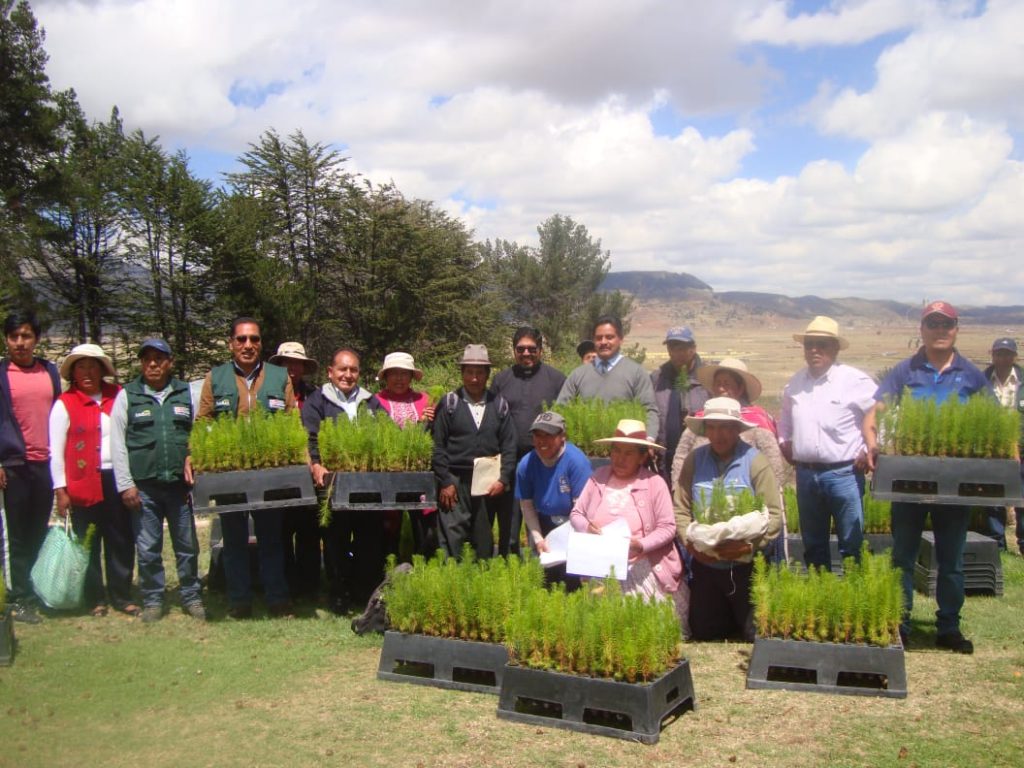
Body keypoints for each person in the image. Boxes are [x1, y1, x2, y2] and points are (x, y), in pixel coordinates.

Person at [863, 301, 991, 654]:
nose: (939, 330)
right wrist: (873, 445)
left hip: (956, 484)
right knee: (902, 557)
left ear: (956, 329)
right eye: (932, 324)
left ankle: (948, 627)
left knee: (951, 560)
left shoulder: (971, 374)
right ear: (922, 329)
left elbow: (993, 420)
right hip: (907, 480)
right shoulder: (904, 372)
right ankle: (900, 625)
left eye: (946, 324)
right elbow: (873, 415)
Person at [197, 317, 296, 619]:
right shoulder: (216, 377)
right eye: (241, 339)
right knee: (234, 538)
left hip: (269, 473)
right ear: (231, 343)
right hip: (231, 475)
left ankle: (277, 599)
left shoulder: (280, 376)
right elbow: (203, 422)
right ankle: (238, 601)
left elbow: (292, 420)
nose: (248, 345)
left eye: (254, 339)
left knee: (271, 538)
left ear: (261, 343)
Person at [111, 338, 204, 623]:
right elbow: (117, 443)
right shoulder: (128, 395)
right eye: (147, 358)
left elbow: (199, 432)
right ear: (141, 363)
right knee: (148, 547)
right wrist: (125, 484)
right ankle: (153, 599)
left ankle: (191, 596)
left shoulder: (186, 393)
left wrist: (195, 459)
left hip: (179, 487)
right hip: (145, 488)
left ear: (170, 362)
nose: (153, 363)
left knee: (187, 545)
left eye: (159, 358)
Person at [675, 398, 783, 641]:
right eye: (712, 427)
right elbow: (681, 508)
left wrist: (748, 547)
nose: (718, 434)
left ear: (737, 429)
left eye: (725, 427)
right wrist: (691, 545)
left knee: (753, 634)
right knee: (704, 631)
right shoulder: (694, 460)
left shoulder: (756, 462)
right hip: (706, 564)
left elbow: (774, 516)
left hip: (746, 565)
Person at [779, 317, 877, 570]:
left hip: (844, 472)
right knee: (812, 544)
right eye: (810, 344)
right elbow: (786, 421)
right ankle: (820, 599)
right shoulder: (795, 384)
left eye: (821, 344)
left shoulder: (854, 381)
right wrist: (784, 442)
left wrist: (869, 449)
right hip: (806, 474)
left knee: (851, 542)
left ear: (835, 348)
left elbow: (884, 416)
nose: (814, 350)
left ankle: (854, 600)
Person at [49, 344, 137, 617]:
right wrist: (60, 489)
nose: (87, 372)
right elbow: (56, 450)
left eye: (92, 366)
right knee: (88, 539)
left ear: (102, 370)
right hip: (82, 481)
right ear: (73, 372)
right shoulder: (65, 403)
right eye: (81, 367)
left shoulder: (118, 395)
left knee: (120, 537)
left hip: (116, 478)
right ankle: (94, 597)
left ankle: (121, 594)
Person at [569, 419, 686, 623]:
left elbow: (668, 528)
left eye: (628, 453)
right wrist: (587, 527)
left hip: (641, 566)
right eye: (616, 450)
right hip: (601, 565)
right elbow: (576, 513)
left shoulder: (654, 483)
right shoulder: (598, 476)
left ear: (642, 457)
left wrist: (640, 545)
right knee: (602, 628)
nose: (620, 459)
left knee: (642, 626)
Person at [672, 358, 787, 562]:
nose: (722, 388)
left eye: (728, 383)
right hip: (702, 525)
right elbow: (680, 458)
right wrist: (680, 489)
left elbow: (774, 468)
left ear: (740, 387)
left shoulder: (759, 424)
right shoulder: (698, 430)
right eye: (719, 383)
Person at [302, 347, 377, 614]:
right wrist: (317, 463)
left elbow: (385, 430)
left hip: (366, 485)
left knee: (368, 540)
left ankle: (361, 592)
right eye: (342, 369)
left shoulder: (370, 401)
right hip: (332, 483)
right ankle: (338, 595)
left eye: (353, 369)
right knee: (336, 540)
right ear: (330, 372)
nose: (348, 375)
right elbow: (310, 436)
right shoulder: (317, 401)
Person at [0, 312, 61, 624]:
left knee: (39, 530)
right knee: (16, 535)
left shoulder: (49, 372)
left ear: (36, 339)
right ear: (6, 340)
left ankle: (36, 590)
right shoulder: (1, 374)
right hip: (13, 466)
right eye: (13, 337)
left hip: (45, 465)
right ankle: (19, 598)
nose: (20, 343)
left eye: (25, 336)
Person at [432, 345, 517, 560]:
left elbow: (509, 445)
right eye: (469, 372)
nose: (474, 378)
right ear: (462, 373)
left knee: (483, 538)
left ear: (487, 374)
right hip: (455, 480)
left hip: (486, 481)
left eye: (480, 372)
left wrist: (503, 479)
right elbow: (438, 445)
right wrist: (445, 481)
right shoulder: (450, 403)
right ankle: (452, 583)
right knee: (453, 536)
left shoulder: (498, 405)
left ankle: (481, 582)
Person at [491, 327, 566, 556]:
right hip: (509, 461)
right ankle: (509, 566)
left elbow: (565, 417)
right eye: (521, 349)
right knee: (509, 519)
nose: (526, 353)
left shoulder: (556, 379)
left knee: (543, 518)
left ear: (540, 350)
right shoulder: (501, 380)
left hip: (544, 462)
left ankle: (547, 569)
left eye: (532, 349)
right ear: (514, 351)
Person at [367, 351, 437, 557]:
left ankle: (422, 574)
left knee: (424, 529)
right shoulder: (374, 401)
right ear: (386, 376)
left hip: (420, 476)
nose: (399, 378)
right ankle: (389, 575)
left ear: (412, 376)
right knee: (389, 529)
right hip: (388, 477)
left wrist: (430, 420)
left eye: (404, 373)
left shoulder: (425, 400)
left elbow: (435, 436)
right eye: (394, 373)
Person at [516, 411, 592, 588]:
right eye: (537, 436)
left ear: (562, 436)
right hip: (542, 524)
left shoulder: (577, 462)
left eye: (548, 435)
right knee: (544, 583)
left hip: (573, 525)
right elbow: (527, 506)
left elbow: (580, 510)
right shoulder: (525, 465)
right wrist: (537, 538)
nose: (542, 441)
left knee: (573, 584)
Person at [269, 342, 320, 600]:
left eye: (296, 363)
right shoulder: (268, 394)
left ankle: (309, 586)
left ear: (303, 367)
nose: (292, 368)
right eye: (286, 363)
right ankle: (286, 585)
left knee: (309, 531)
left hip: (310, 473)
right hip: (281, 473)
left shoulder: (314, 395)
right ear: (277, 366)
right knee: (281, 531)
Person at [557, 316, 660, 440]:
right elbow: (561, 410)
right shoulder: (577, 375)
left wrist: (649, 438)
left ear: (621, 339)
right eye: (599, 338)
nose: (604, 342)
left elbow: (649, 410)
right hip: (585, 450)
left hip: (626, 449)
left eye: (609, 337)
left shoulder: (637, 372)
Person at [650, 327, 709, 485]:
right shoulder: (657, 378)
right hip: (664, 456)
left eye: (681, 347)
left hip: (699, 455)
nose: (676, 352)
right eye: (672, 347)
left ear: (693, 348)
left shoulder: (707, 378)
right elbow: (649, 412)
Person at [982, 337, 1023, 552]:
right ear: (992, 355)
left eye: (1007, 353)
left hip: (1022, 447)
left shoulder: (1023, 381)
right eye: (999, 353)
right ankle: (996, 544)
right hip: (993, 449)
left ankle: (1023, 543)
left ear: (1014, 356)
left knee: (1022, 498)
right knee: (993, 498)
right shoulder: (982, 381)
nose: (1003, 358)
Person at [269, 341, 317, 409]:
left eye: (297, 362)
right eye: (288, 362)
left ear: (303, 367)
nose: (293, 367)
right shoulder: (268, 391)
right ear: (279, 365)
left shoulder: (312, 394)